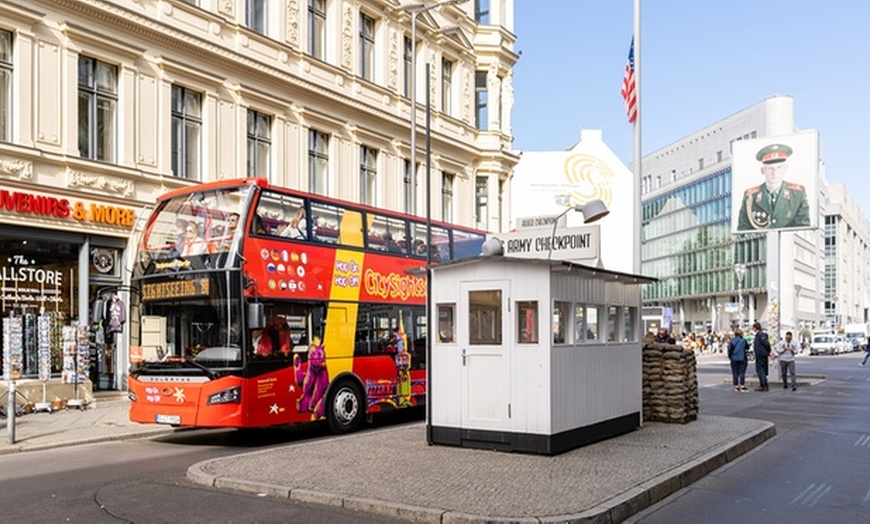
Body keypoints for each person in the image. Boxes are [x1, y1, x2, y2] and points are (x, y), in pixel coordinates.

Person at [737, 143, 810, 231]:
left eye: (779, 167)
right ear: (763, 171)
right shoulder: (750, 196)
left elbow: (803, 229)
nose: (774, 172)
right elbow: (743, 230)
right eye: (770, 168)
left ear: (785, 168)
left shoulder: (797, 194)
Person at [752, 322, 772, 391]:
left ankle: (763, 385)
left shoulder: (761, 335)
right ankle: (764, 384)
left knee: (760, 370)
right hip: (761, 354)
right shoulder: (759, 335)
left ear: (755, 328)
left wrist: (768, 351)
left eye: (753, 328)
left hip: (761, 355)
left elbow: (766, 344)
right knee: (762, 370)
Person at [728, 328, 749, 392]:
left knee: (735, 372)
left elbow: (730, 349)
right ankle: (742, 385)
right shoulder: (743, 340)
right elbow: (747, 347)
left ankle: (736, 385)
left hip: (734, 358)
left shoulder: (732, 340)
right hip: (742, 357)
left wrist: (730, 356)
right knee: (742, 372)